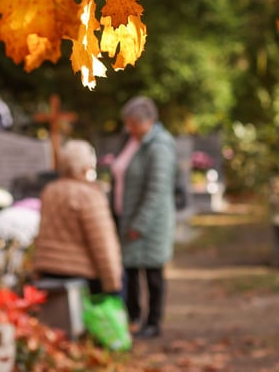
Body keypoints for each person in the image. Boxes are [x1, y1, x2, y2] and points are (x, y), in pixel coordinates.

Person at [111, 96, 176, 340]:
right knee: (130, 272)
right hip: (127, 218)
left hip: (150, 224)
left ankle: (153, 323)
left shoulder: (159, 147)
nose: (128, 129)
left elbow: (157, 191)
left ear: (147, 122)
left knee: (152, 274)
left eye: (132, 124)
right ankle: (134, 318)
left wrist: (140, 223)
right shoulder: (133, 142)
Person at [33, 140, 122, 296]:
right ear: (87, 166)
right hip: (82, 275)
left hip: (48, 270)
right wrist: (112, 282)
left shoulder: (50, 191)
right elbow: (102, 241)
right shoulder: (89, 195)